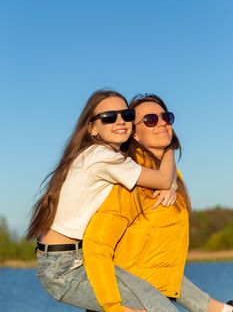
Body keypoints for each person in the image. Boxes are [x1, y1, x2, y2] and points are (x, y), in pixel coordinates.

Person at [27, 89, 178, 312]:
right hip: (65, 268)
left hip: (71, 259)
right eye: (108, 117)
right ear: (92, 128)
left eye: (126, 115)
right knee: (157, 307)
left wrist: (171, 183)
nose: (120, 121)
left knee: (154, 302)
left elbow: (163, 181)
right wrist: (170, 145)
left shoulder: (101, 156)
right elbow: (163, 179)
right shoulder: (102, 157)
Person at [83, 94, 233, 312]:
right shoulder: (130, 181)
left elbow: (161, 265)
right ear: (134, 133)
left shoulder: (174, 176)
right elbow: (97, 246)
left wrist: (219, 309)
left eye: (166, 117)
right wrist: (114, 307)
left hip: (154, 300)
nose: (162, 122)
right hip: (128, 304)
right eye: (150, 120)